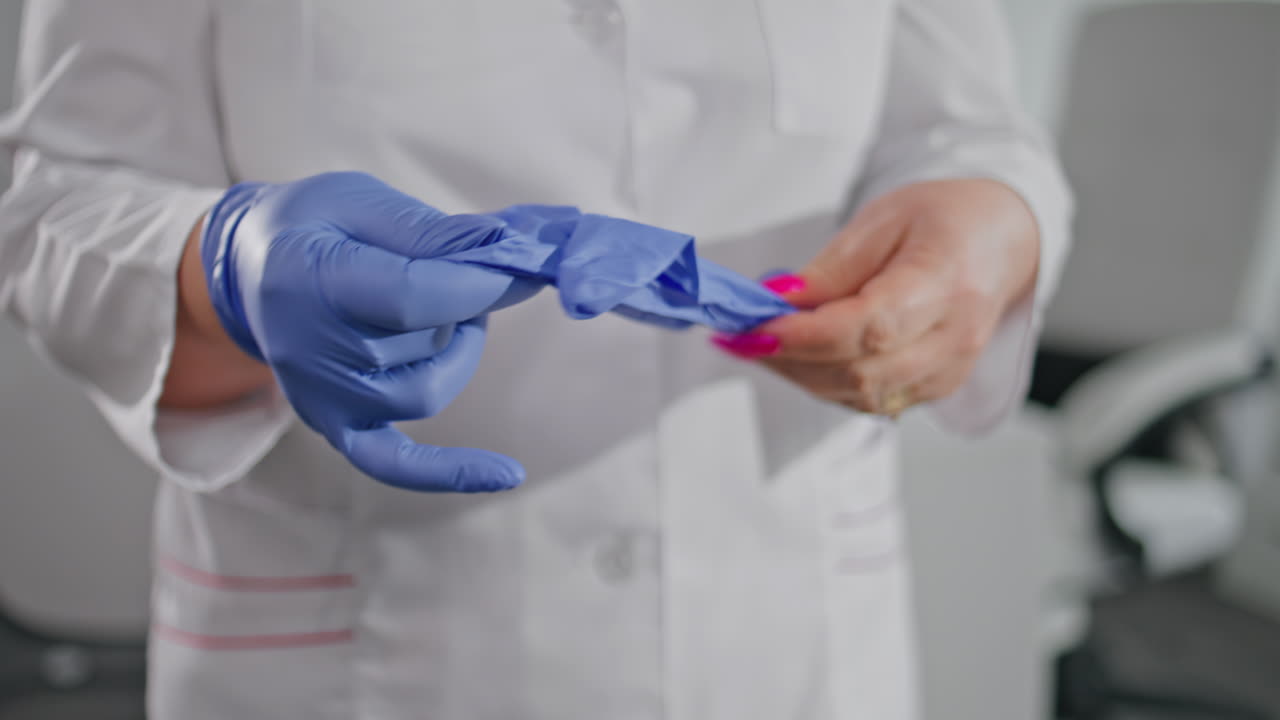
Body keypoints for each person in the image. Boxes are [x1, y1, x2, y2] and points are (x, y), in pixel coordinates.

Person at [0, 1, 1071, 718]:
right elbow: (52, 198)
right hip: (364, 655)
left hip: (789, 641)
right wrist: (226, 269)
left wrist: (991, 223)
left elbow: (971, 128)